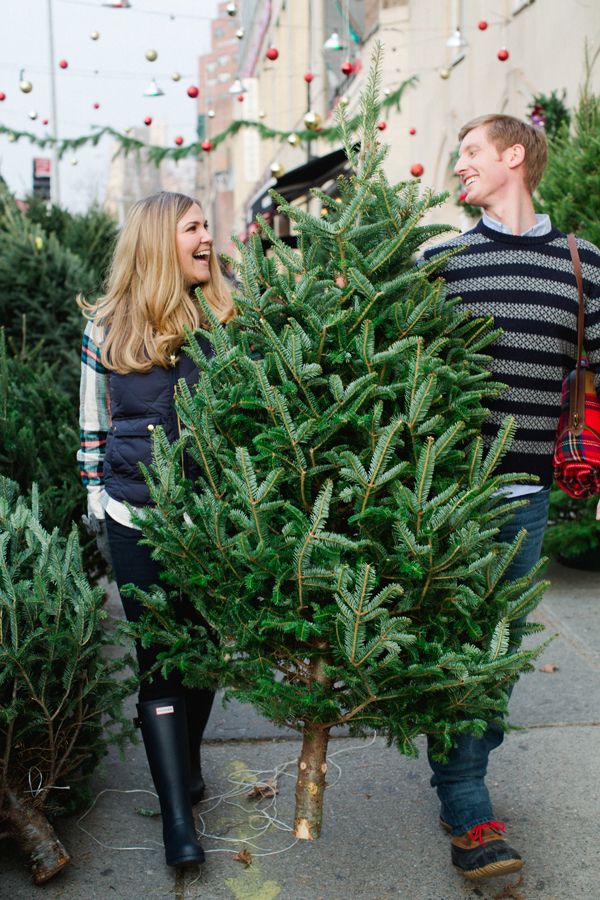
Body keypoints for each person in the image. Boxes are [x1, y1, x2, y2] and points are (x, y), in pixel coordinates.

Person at [421, 114, 600, 880]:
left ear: (514, 155)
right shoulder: (442, 262)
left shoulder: (583, 265)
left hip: (528, 496)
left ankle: (461, 777)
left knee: (496, 656)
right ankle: (467, 801)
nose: (458, 164)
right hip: (450, 497)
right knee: (461, 645)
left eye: (471, 152)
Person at [77, 191, 235, 868]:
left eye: (207, 225)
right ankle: (177, 819)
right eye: (193, 227)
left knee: (204, 655)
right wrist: (97, 498)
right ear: (158, 241)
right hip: (134, 518)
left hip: (211, 521)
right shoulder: (107, 328)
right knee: (160, 659)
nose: (208, 237)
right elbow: (92, 422)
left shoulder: (223, 316)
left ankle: (187, 767)